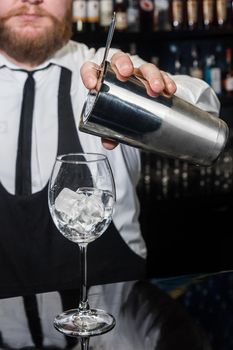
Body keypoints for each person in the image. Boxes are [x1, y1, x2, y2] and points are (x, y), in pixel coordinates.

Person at [0, 0, 220, 348]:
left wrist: (155, 92)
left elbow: (202, 104)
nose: (32, 0)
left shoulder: (107, 74)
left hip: (113, 332)